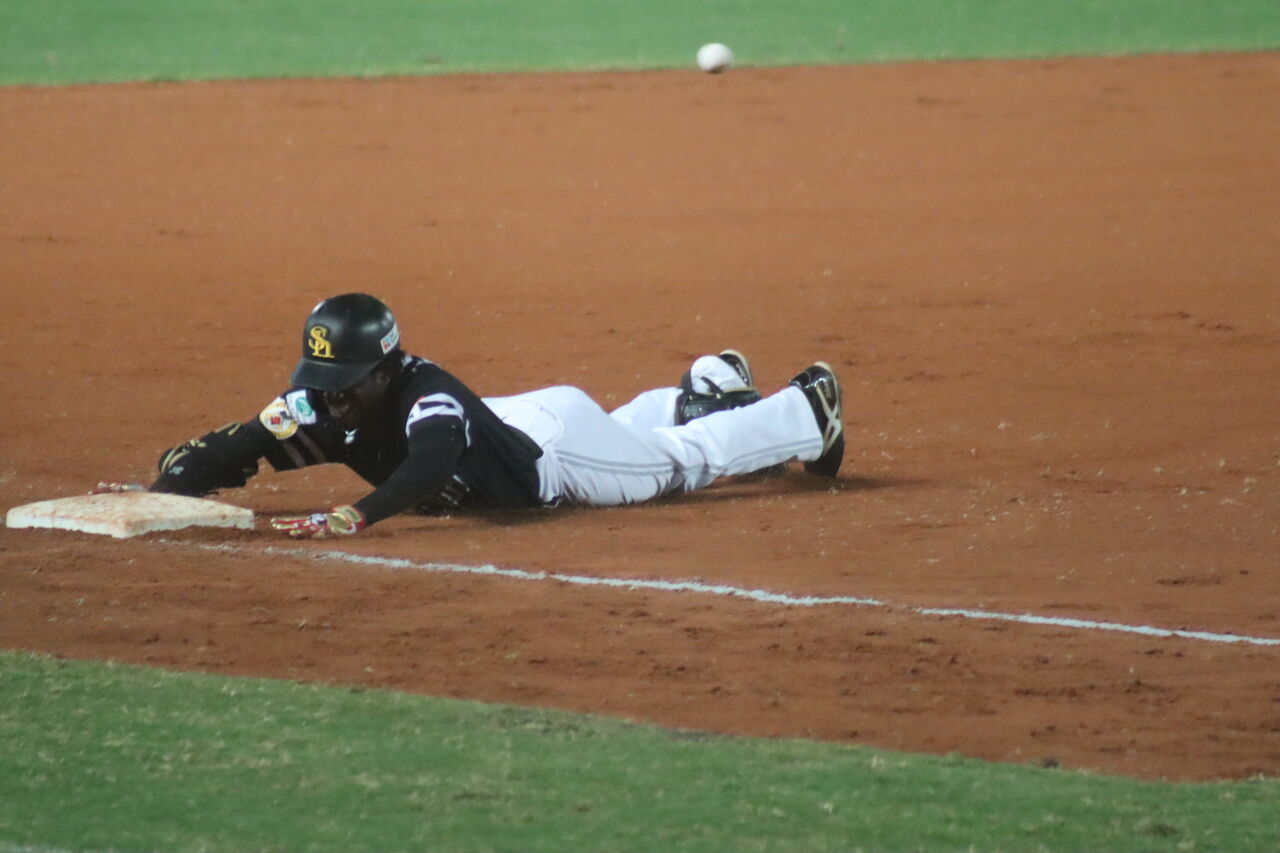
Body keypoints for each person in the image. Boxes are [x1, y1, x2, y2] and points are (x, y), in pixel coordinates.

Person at [132, 293, 844, 538]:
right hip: (514, 419)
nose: (331, 396)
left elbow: (430, 463)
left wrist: (355, 515)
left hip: (556, 455)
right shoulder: (323, 404)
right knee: (631, 439)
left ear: (383, 370)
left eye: (345, 383)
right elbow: (235, 446)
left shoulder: (427, 396)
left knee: (675, 467)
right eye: (323, 381)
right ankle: (698, 396)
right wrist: (165, 492)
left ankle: (805, 412)